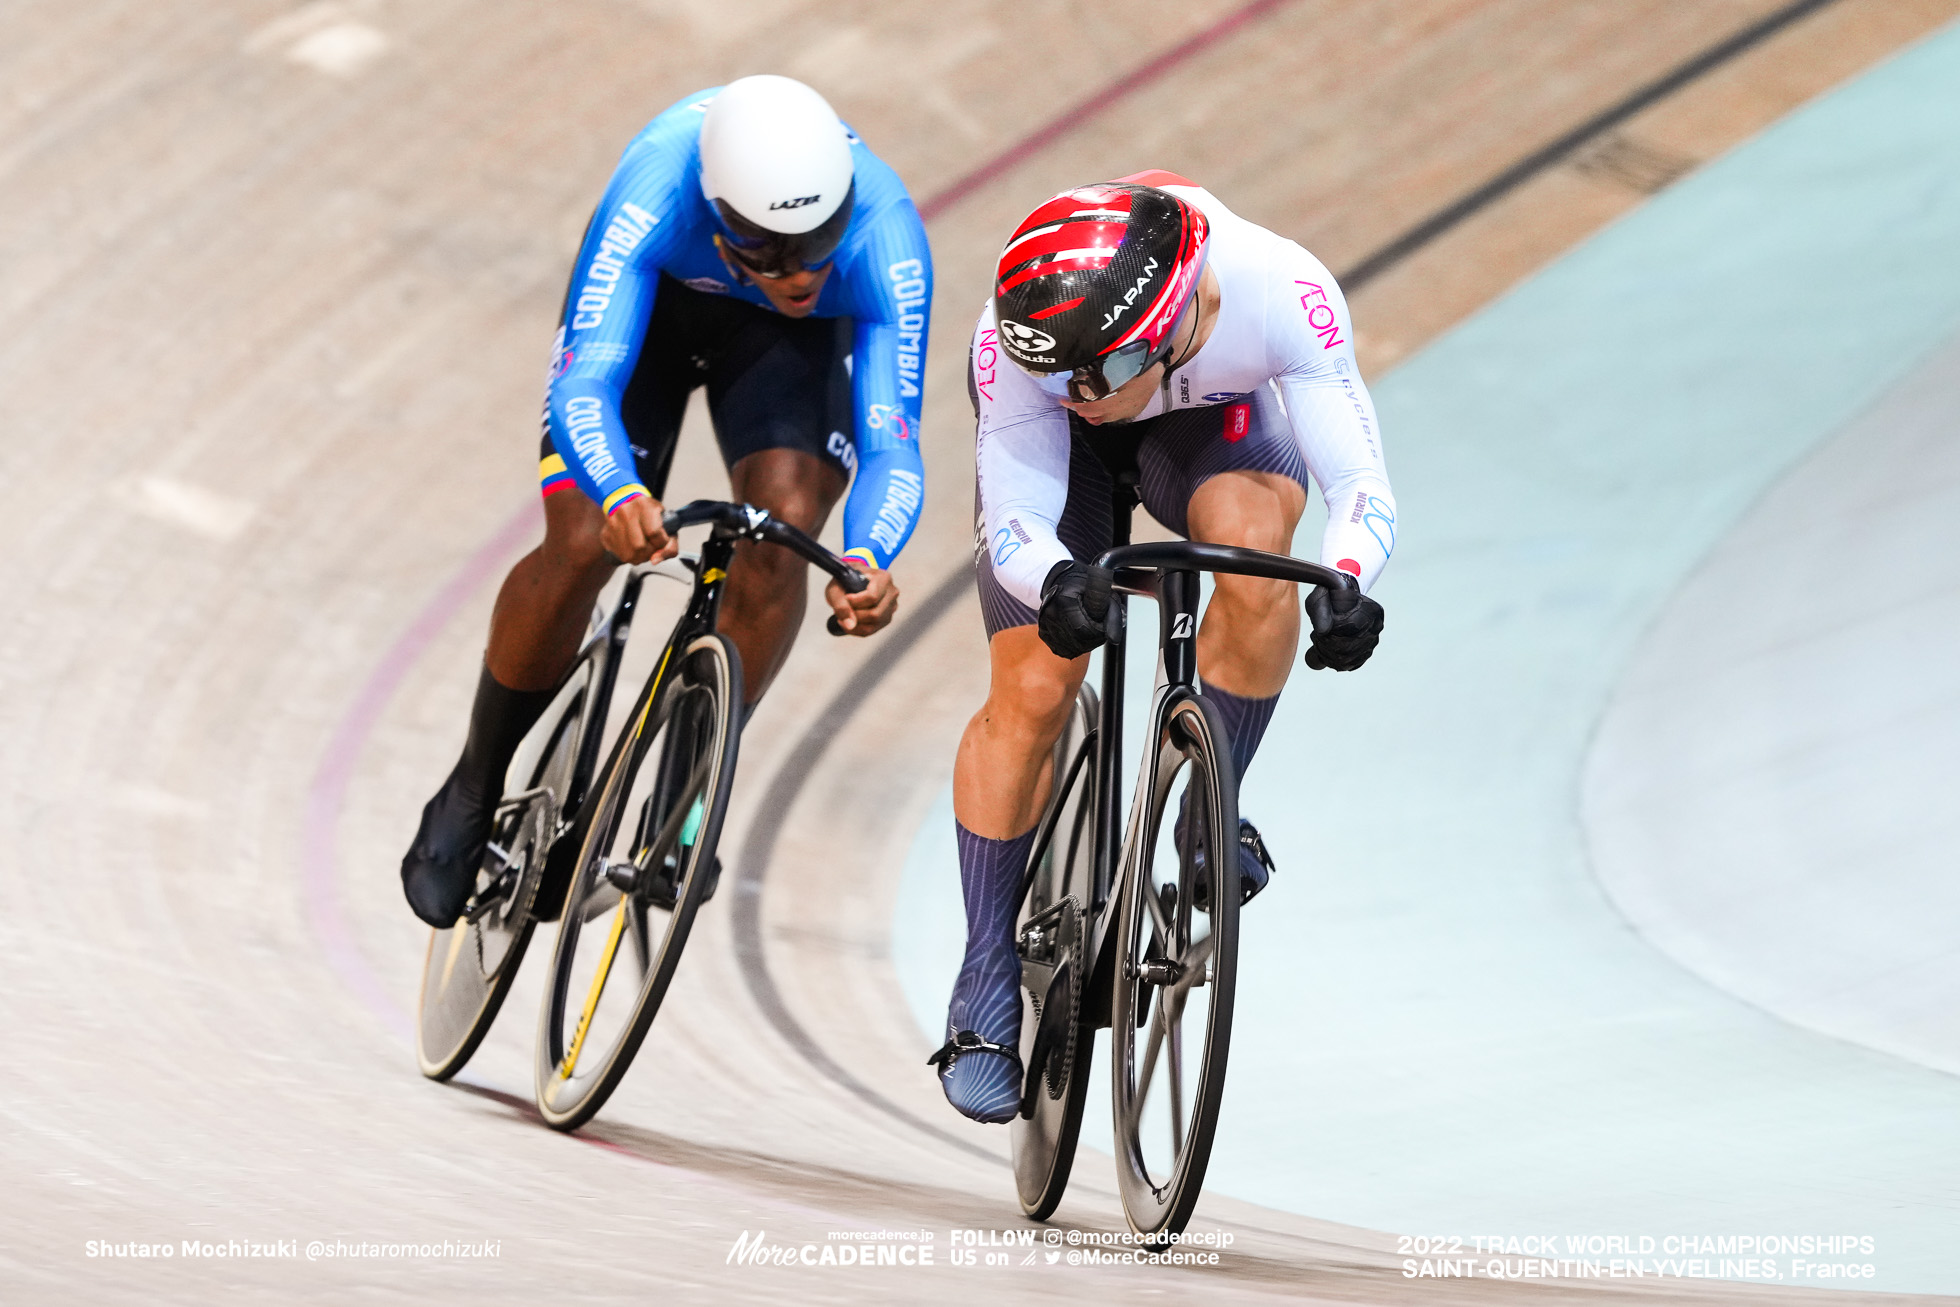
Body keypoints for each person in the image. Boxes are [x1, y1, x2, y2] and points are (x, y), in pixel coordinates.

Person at [401, 75, 933, 927]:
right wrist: (615, 490)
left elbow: (892, 443)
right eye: (770, 252)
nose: (799, 271)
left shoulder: (882, 237)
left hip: (782, 349)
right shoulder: (653, 188)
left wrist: (869, 556)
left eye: (818, 241)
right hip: (653, 314)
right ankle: (475, 778)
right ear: (721, 221)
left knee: (787, 530)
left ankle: (687, 790)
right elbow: (589, 383)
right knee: (582, 541)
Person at [933, 173, 1395, 1122]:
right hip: (1063, 467)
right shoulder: (1020, 344)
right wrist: (1054, 582)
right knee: (1032, 683)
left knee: (1260, 551)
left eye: (1088, 379)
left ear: (1168, 325)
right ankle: (984, 971)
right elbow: (1018, 515)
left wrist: (1348, 577)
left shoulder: (1281, 291)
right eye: (1055, 379)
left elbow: (1360, 483)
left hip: (1203, 427)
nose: (1073, 395)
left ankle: (1205, 809)